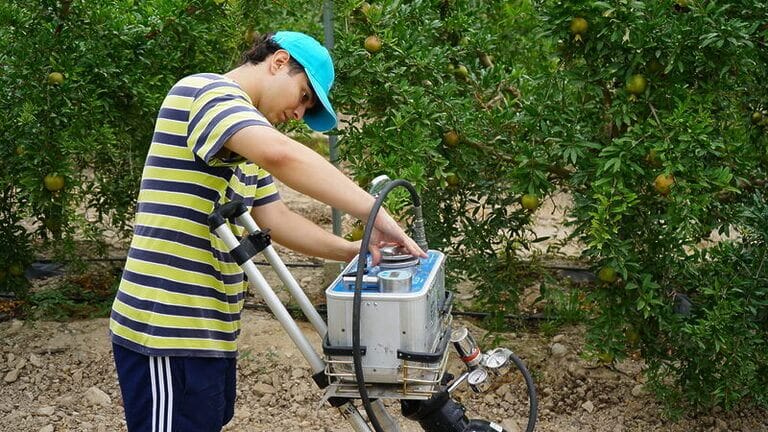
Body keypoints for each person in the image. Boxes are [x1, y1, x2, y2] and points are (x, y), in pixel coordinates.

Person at [109, 30, 426, 432]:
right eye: (304, 96)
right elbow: (281, 154)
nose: (299, 113)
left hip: (211, 327)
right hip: (167, 326)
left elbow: (273, 219)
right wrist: (376, 213)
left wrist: (349, 250)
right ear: (278, 62)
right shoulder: (205, 92)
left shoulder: (244, 140)